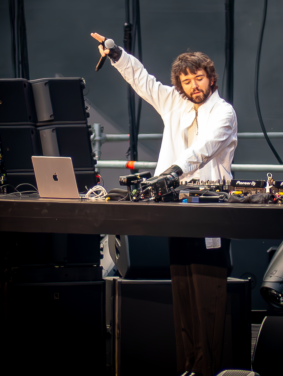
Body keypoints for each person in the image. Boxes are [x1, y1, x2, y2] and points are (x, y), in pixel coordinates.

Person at [91, 32, 238, 376]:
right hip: (177, 209)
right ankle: (189, 367)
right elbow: (143, 80)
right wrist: (117, 54)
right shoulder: (174, 102)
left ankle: (209, 370)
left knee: (208, 299)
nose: (194, 86)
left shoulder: (224, 113)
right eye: (187, 81)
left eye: (199, 78)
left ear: (210, 78)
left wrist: (171, 172)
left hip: (210, 209)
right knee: (183, 294)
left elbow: (202, 150)